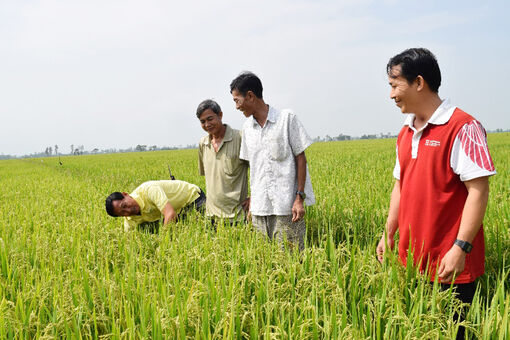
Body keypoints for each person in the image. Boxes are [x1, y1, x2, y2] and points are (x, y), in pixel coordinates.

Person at [376, 48, 496, 339]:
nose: (391, 95)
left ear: (419, 82)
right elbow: (400, 186)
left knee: (454, 331)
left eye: (395, 85)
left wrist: (460, 248)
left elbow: (478, 191)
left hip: (449, 264)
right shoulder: (405, 132)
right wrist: (388, 232)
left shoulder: (463, 127)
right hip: (411, 259)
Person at [230, 71, 315, 251]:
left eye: (237, 100)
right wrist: (252, 202)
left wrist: (299, 197)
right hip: (260, 209)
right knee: (266, 261)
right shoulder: (247, 128)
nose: (236, 107)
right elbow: (254, 167)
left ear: (250, 96)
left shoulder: (286, 119)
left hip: (286, 208)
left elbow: (301, 158)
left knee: (292, 261)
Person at [196, 99, 249, 224]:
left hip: (237, 216)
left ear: (220, 115)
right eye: (202, 121)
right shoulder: (203, 144)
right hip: (212, 216)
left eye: (210, 119)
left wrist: (254, 198)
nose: (207, 124)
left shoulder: (241, 138)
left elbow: (259, 170)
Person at [105, 180, 206, 231]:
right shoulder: (129, 219)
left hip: (192, 199)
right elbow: (129, 242)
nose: (128, 211)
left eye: (124, 205)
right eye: (122, 213)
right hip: (176, 212)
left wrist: (163, 245)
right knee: (145, 231)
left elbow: (170, 214)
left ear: (125, 194)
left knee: (210, 227)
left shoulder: (148, 190)